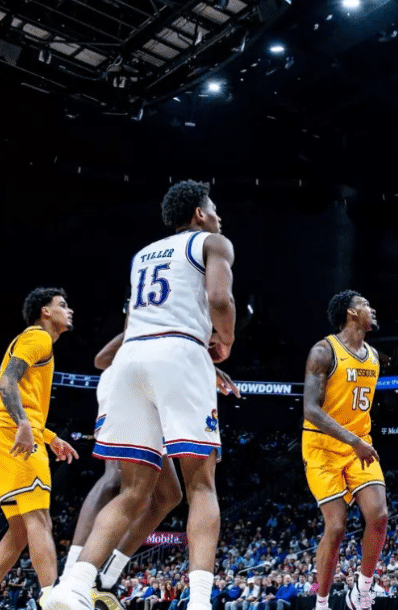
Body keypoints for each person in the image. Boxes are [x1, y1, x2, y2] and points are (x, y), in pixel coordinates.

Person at [48, 180, 237, 610]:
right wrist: (224, 341)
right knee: (201, 485)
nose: (219, 216)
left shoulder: (142, 256)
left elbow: (135, 323)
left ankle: (74, 585)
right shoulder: (214, 242)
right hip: (178, 355)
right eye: (214, 209)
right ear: (199, 215)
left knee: (133, 489)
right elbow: (219, 298)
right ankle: (200, 602)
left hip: (129, 360)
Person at [61, 332, 239, 604]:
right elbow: (103, 359)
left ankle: (104, 579)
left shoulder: (153, 312)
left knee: (168, 495)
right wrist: (204, 355)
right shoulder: (164, 313)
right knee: (121, 479)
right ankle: (70, 578)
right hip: (146, 375)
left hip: (139, 378)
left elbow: (107, 357)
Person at [301, 290, 389, 610]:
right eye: (366, 304)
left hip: (358, 447)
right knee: (336, 527)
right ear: (352, 313)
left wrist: (357, 441)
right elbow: (310, 409)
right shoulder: (324, 351)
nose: (372, 309)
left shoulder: (374, 356)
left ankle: (362, 591)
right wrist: (353, 440)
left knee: (379, 517)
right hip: (323, 448)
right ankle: (321, 603)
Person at [0, 287, 77, 601]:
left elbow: (25, 397)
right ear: (45, 311)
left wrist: (49, 436)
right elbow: (7, 380)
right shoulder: (38, 337)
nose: (68, 310)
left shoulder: (35, 341)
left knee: (19, 533)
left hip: (10, 436)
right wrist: (23, 425)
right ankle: (52, 598)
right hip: (15, 437)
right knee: (39, 519)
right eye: (62, 304)